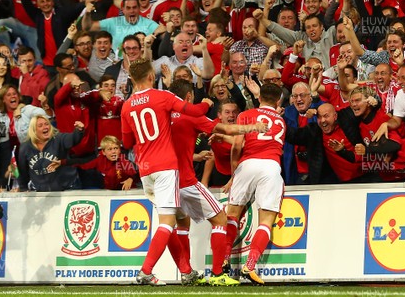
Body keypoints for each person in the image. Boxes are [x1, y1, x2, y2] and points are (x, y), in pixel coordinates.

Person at [120, 58, 212, 286]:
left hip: (145, 169)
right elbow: (194, 111)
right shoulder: (163, 97)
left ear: (132, 79)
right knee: (167, 222)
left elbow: (127, 140)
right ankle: (145, 271)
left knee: (166, 221)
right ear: (152, 76)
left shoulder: (127, 106)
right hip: (165, 167)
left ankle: (186, 270)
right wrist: (208, 103)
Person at [168, 79, 266, 285]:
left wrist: (194, 156)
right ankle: (218, 274)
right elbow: (228, 130)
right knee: (221, 220)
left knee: (180, 224)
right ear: (188, 97)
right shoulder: (191, 115)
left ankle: (187, 274)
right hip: (186, 180)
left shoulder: (163, 116)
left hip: (166, 181)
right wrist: (254, 127)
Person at [224, 84, 286, 285]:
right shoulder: (281, 122)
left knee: (232, 214)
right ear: (278, 102)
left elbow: (237, 146)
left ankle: (224, 262)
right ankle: (249, 266)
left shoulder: (246, 115)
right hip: (270, 166)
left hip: (247, 163)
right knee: (266, 221)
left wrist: (234, 175)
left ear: (259, 98)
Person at [17, 115, 85, 191]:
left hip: (68, 188)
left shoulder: (59, 139)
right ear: (34, 130)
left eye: (47, 124)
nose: (45, 127)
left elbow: (73, 139)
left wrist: (79, 131)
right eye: (40, 125)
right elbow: (22, 171)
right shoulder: (25, 147)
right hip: (40, 192)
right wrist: (23, 188)